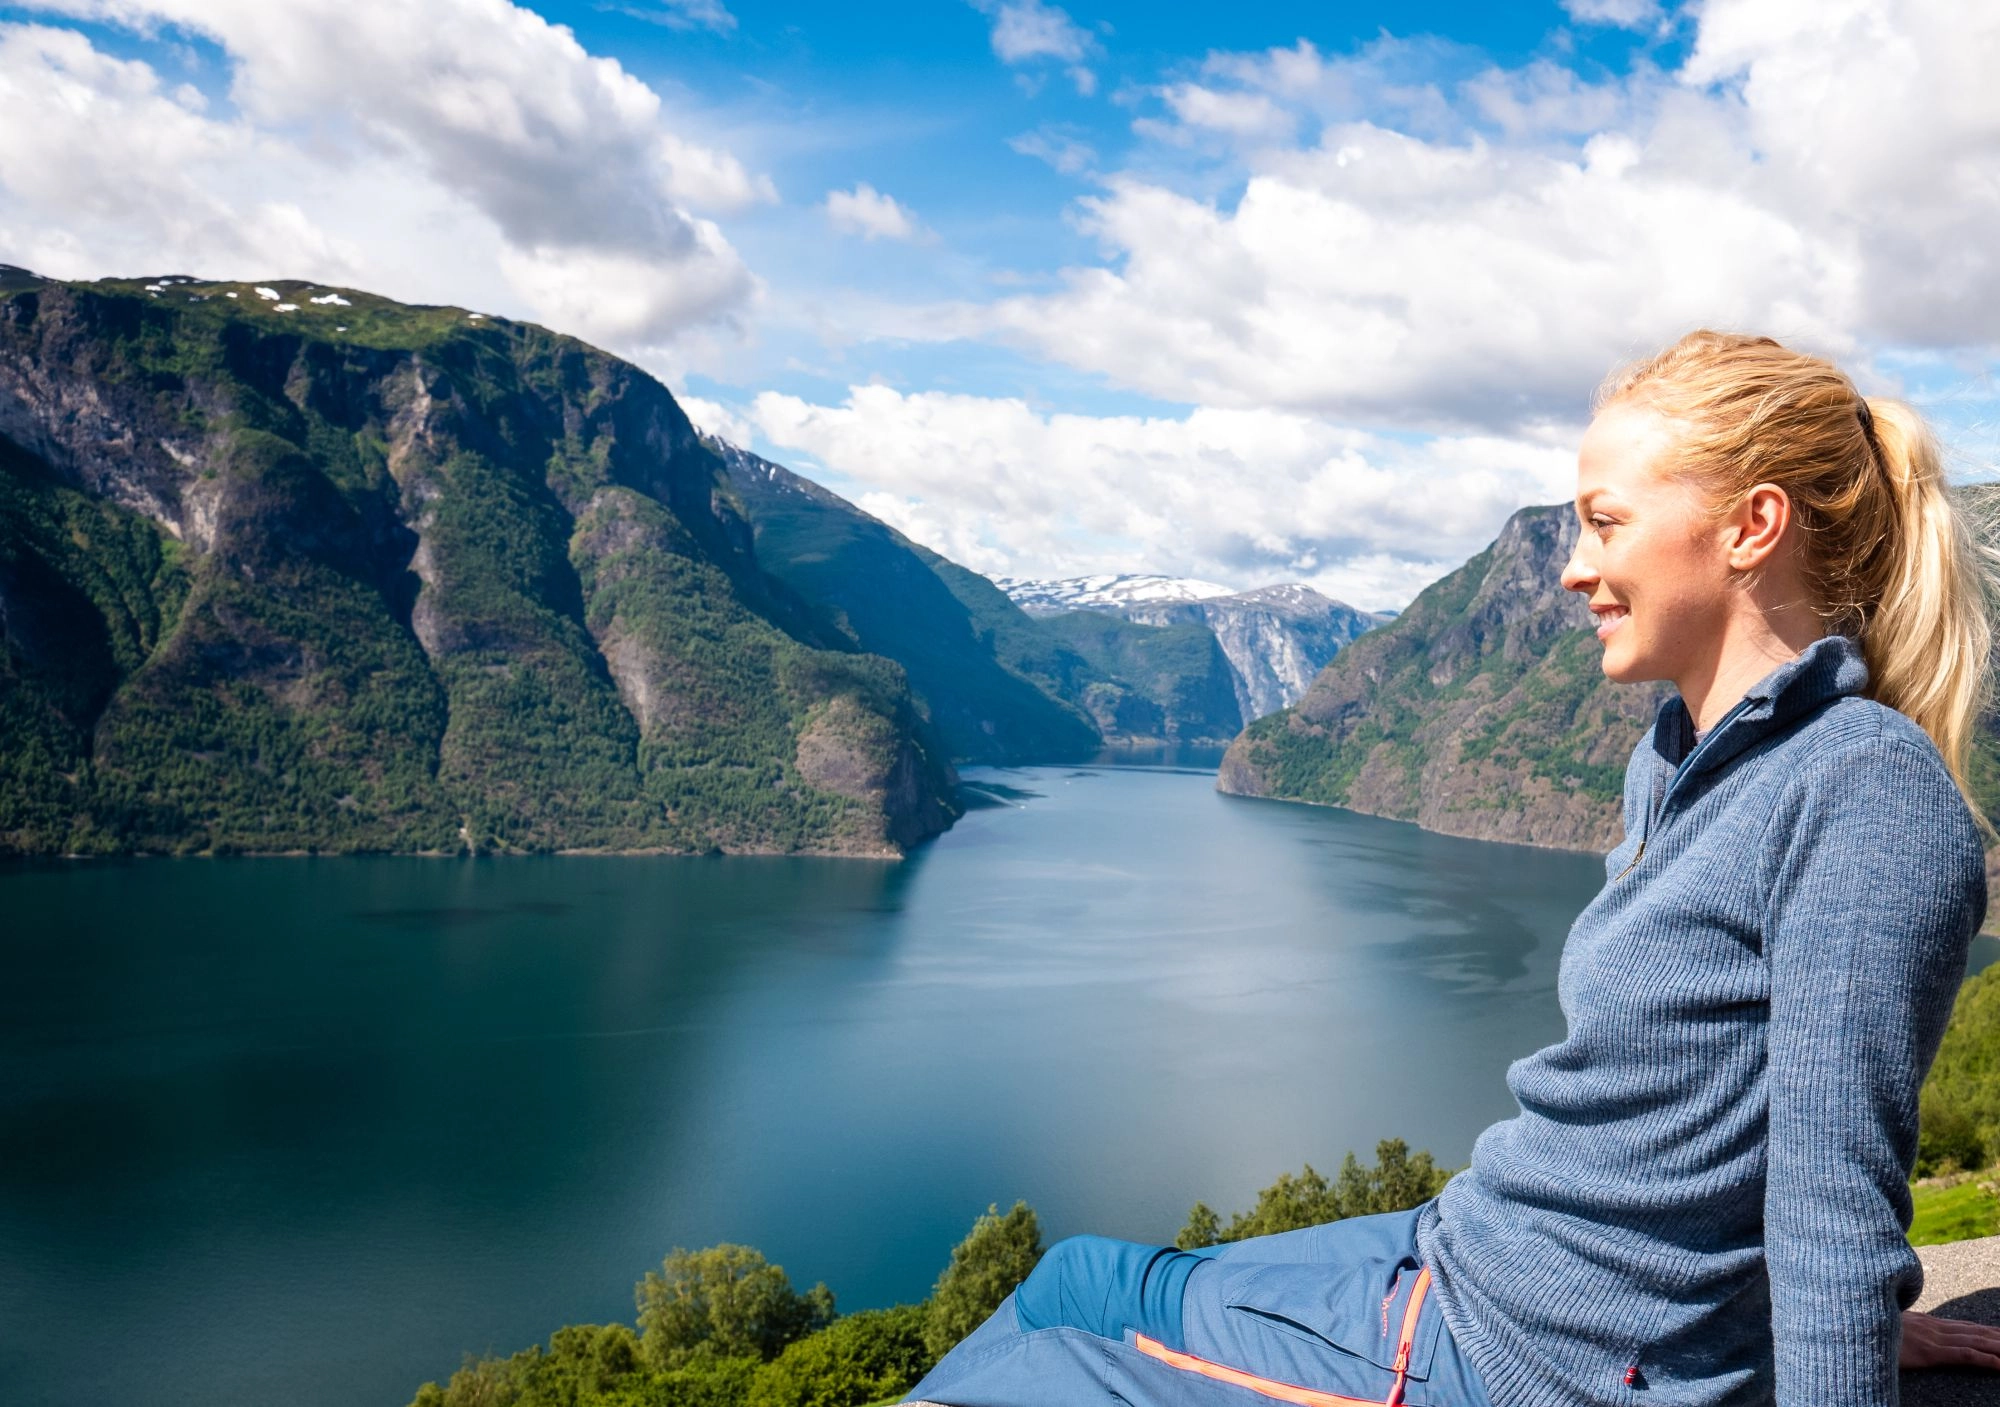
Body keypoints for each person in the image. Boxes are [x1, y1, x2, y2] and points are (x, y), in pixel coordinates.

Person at [905, 331, 2000, 1407]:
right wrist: (1778, 1318)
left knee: (1016, 1377)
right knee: (1068, 1276)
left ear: (1751, 527)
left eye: (1603, 524)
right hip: (1472, 1251)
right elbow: (1702, 1125)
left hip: (1525, 1358)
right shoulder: (1675, 756)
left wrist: (1831, 1334)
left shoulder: (1859, 792)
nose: (1573, 570)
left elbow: (1829, 1197)